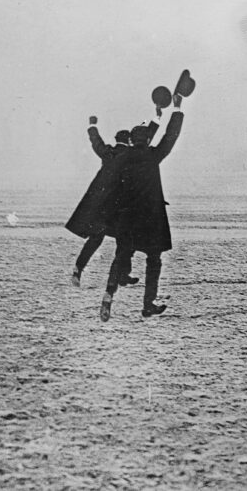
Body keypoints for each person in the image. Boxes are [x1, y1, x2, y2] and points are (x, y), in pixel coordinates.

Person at [99, 93, 186, 322]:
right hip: (150, 219)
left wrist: (156, 117)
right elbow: (170, 136)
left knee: (121, 256)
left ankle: (109, 293)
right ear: (146, 140)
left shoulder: (122, 158)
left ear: (130, 141)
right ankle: (148, 304)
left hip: (127, 218)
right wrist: (176, 109)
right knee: (153, 260)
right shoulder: (153, 155)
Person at [65, 115, 162, 287]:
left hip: (102, 207)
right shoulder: (130, 154)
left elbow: (96, 142)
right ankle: (122, 274)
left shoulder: (108, 152)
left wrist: (92, 125)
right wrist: (156, 119)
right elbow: (147, 139)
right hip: (119, 207)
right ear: (130, 141)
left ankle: (78, 268)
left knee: (96, 238)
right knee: (126, 241)